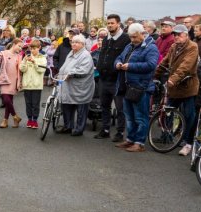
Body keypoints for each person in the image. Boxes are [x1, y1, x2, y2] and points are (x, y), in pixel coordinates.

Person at [154, 24, 199, 156]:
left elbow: (185, 66)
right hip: (174, 87)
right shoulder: (174, 47)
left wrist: (173, 79)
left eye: (179, 34)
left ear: (186, 35)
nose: (176, 37)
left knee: (189, 115)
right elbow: (164, 63)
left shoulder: (192, 47)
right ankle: (167, 136)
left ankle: (188, 143)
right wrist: (154, 76)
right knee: (167, 111)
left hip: (187, 87)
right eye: (175, 34)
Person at [113, 23, 159, 152]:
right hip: (128, 86)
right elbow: (119, 57)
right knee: (130, 116)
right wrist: (118, 64)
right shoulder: (129, 46)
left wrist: (130, 66)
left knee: (140, 117)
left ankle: (139, 143)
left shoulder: (151, 48)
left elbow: (151, 65)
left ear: (142, 34)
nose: (132, 40)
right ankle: (130, 140)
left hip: (142, 87)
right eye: (131, 37)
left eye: (134, 37)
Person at [94, 14, 130, 142]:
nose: (109, 25)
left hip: (117, 79)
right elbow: (102, 56)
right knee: (104, 106)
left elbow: (126, 57)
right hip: (104, 78)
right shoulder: (106, 39)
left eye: (112, 23)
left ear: (118, 24)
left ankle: (120, 132)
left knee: (120, 108)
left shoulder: (126, 39)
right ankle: (105, 130)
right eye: (108, 23)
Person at [56, 34, 95, 136]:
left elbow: (83, 70)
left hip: (80, 87)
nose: (74, 44)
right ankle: (68, 126)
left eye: (77, 42)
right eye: (72, 42)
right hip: (67, 85)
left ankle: (79, 129)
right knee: (66, 105)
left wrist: (71, 73)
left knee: (81, 108)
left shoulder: (86, 55)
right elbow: (65, 66)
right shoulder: (71, 52)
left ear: (82, 44)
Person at [0, 39, 23, 128]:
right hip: (4, 79)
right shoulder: (4, 53)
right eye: (19, 46)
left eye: (21, 47)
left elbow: (21, 69)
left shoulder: (19, 56)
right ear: (14, 44)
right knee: (6, 99)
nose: (21, 48)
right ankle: (15, 116)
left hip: (14, 80)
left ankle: (5, 121)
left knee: (9, 100)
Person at [19, 39, 48, 129]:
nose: (32, 50)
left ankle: (35, 120)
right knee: (28, 103)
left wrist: (34, 62)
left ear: (39, 48)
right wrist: (24, 61)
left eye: (34, 48)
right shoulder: (26, 57)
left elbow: (41, 70)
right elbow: (22, 69)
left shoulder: (42, 58)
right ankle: (29, 119)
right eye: (31, 49)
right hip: (27, 85)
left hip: (36, 85)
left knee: (35, 104)